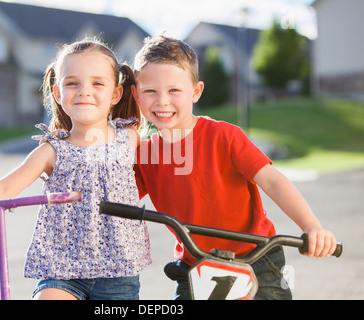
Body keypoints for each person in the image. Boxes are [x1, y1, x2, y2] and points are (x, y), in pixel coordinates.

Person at [0, 37, 152, 300]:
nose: (84, 91)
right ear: (57, 93)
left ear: (115, 94)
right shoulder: (52, 150)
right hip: (62, 268)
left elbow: (169, 169)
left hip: (119, 271)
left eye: (97, 83)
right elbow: (4, 187)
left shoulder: (130, 138)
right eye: (72, 83)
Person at [131, 35, 337, 300]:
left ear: (195, 91)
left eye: (174, 90)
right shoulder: (144, 153)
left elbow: (272, 180)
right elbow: (115, 198)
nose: (162, 101)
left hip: (257, 258)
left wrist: (311, 226)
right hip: (195, 264)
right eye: (150, 91)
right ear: (136, 94)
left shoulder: (224, 136)